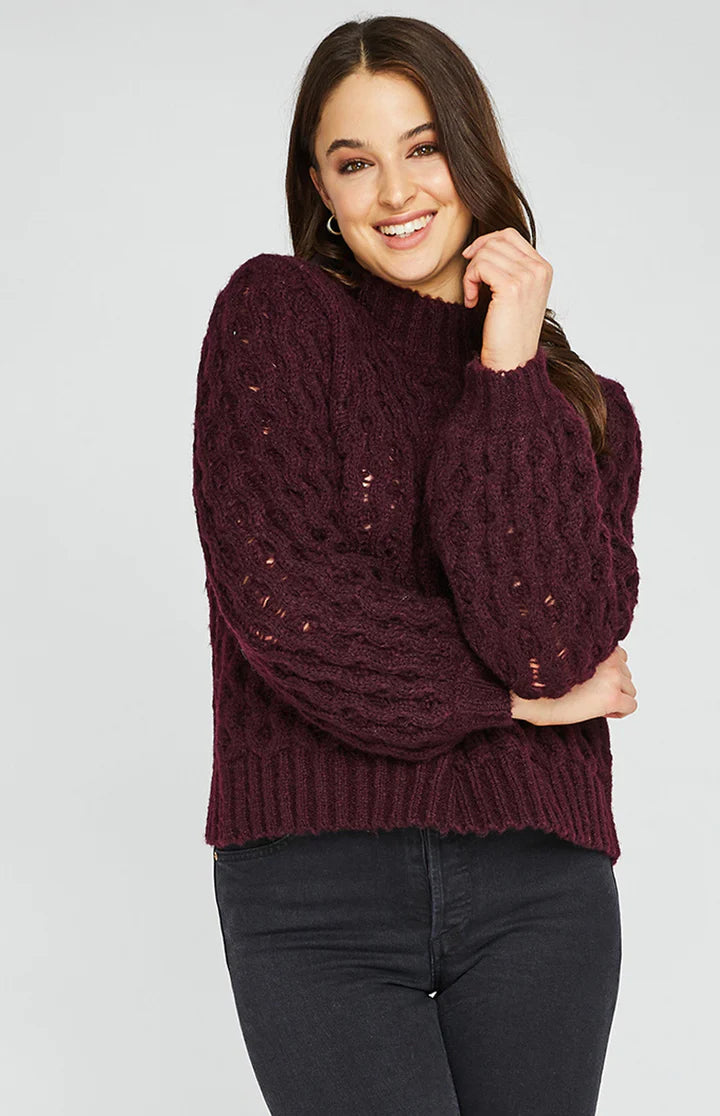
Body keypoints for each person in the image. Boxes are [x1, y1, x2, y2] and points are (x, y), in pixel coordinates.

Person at [191, 15, 642, 1116]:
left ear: (472, 155)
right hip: (314, 885)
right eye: (356, 163)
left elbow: (552, 645)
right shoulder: (276, 317)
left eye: (424, 147)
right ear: (320, 189)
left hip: (540, 882)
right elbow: (289, 611)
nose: (396, 191)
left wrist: (509, 368)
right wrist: (515, 707)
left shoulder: (586, 411)